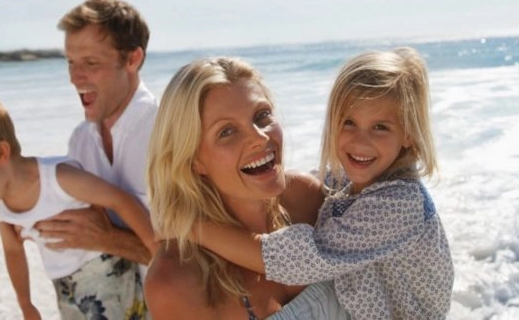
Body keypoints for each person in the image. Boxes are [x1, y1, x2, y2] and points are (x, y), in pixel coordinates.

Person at [192, 48, 455, 319]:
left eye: (380, 127)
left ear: (409, 134)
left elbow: (304, 259)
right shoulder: (350, 182)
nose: (360, 141)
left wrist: (197, 229)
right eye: (348, 122)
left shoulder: (399, 204)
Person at [144, 56, 350, 319]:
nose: (260, 137)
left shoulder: (306, 198)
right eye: (227, 132)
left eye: (262, 115)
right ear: (193, 160)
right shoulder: (176, 280)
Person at [0, 94, 158, 320]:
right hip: (62, 284)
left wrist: (158, 253)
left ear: (1, 153)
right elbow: (13, 250)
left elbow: (120, 200)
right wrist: (25, 304)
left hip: (108, 273)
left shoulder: (58, 178)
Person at [32, 0, 158, 316]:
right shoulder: (80, 142)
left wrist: (111, 239)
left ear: (132, 59)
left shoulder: (168, 133)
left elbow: (209, 260)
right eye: (70, 62)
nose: (75, 77)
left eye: (90, 63)